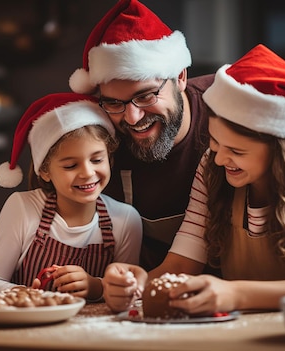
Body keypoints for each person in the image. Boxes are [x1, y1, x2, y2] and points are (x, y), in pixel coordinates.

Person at [101, 44, 285, 314]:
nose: (218, 159)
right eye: (216, 143)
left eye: (236, 150)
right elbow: (182, 266)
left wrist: (238, 294)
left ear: (281, 148)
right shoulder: (212, 166)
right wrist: (139, 284)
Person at [69, 0, 215, 271]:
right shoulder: (100, 140)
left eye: (145, 96)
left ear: (180, 76)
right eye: (114, 103)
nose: (132, 118)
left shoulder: (229, 112)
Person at [0, 93, 142, 302]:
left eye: (97, 159)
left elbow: (128, 294)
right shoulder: (23, 208)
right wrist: (28, 295)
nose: (88, 173)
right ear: (44, 170)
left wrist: (96, 286)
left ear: (109, 158)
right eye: (71, 165)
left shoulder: (125, 220)